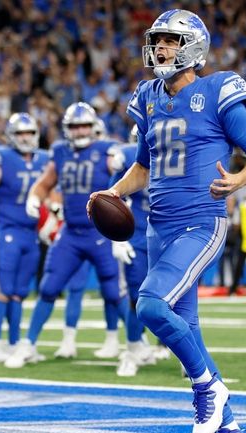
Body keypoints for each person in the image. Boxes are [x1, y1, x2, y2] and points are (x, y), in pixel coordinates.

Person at [88, 10, 246, 433]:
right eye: (157, 40)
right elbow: (143, 166)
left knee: (150, 305)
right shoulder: (149, 95)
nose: (160, 48)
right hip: (158, 226)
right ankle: (224, 421)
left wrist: (239, 180)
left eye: (169, 40)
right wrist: (114, 192)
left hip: (201, 221)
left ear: (193, 46)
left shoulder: (217, 88)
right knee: (185, 323)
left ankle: (209, 389)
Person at [4, 101, 127, 369]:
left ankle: (136, 344)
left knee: (113, 292)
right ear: (67, 128)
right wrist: (35, 197)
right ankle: (28, 345)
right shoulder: (60, 152)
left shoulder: (107, 150)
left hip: (100, 232)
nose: (81, 131)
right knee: (49, 287)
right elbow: (45, 182)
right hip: (71, 232)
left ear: (93, 127)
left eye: (84, 125)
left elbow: (126, 182)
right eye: (75, 126)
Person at [0, 113, 48, 363]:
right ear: (11, 136)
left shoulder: (45, 160)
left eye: (30, 133)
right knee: (1, 289)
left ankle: (14, 344)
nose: (26, 138)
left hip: (31, 233)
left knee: (19, 292)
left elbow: (54, 193)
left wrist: (53, 222)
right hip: (6, 230)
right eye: (21, 133)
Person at [109, 125, 157, 377]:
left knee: (179, 295)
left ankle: (185, 352)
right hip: (138, 234)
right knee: (136, 294)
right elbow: (110, 198)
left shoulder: (178, 156)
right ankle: (133, 347)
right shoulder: (128, 156)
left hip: (170, 231)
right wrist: (116, 238)